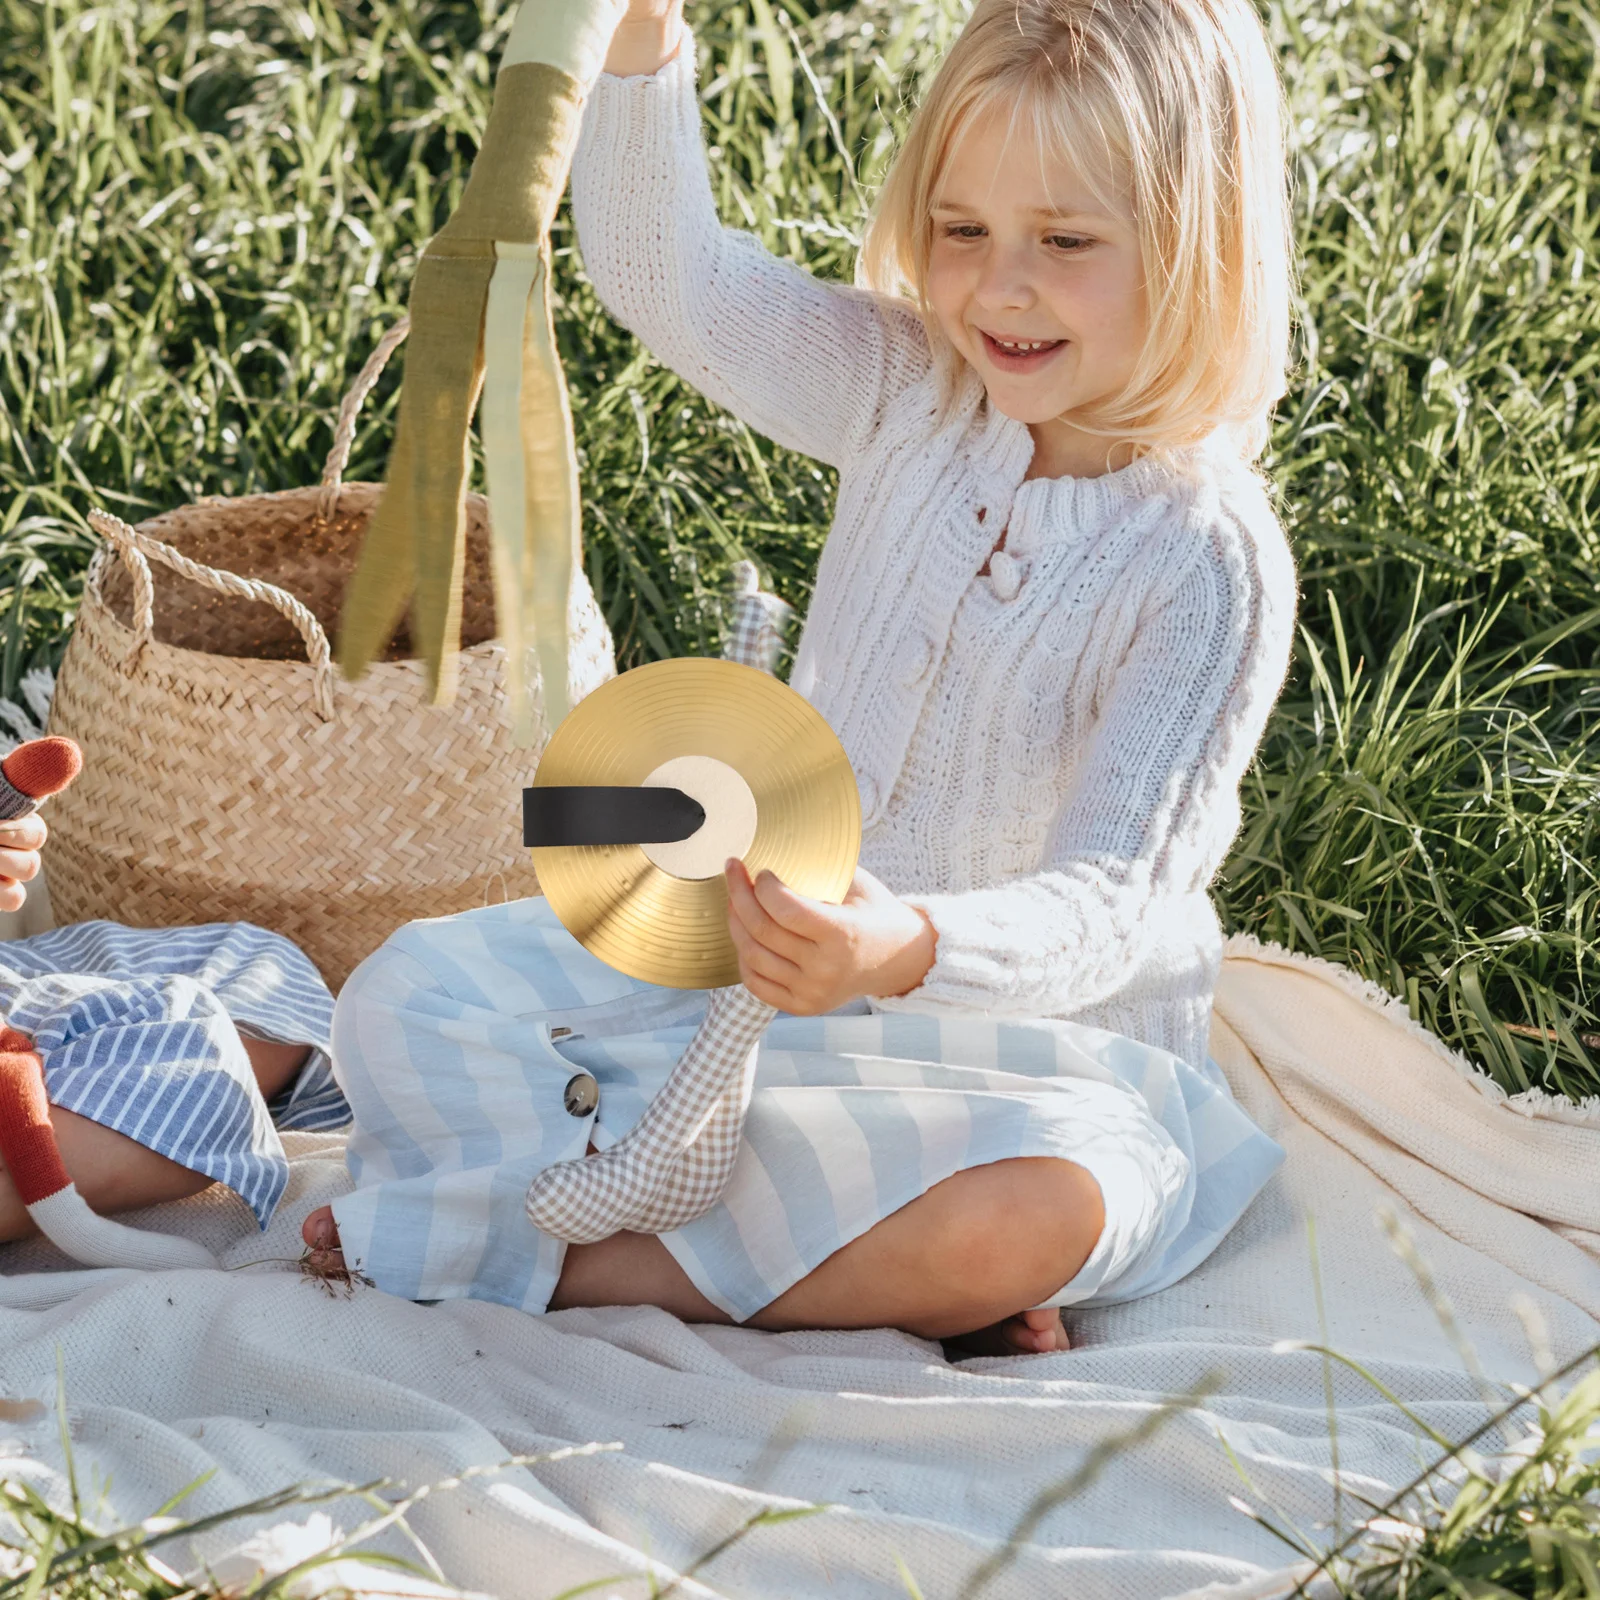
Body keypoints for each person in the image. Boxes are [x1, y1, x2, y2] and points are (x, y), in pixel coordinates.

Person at [310, 0, 1299, 1355]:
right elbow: (675, 283)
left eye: (1066, 243)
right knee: (403, 993)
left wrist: (910, 949)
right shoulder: (910, 389)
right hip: (758, 987)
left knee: (1035, 1213)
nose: (999, 290)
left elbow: (1115, 902)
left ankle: (579, 1256)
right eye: (961, 230)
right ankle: (780, 1243)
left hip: (1031, 1059)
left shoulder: (1206, 564)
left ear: (1201, 249)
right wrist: (645, 43)